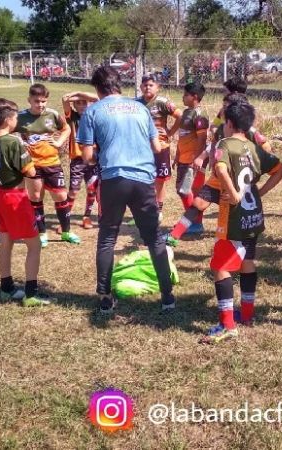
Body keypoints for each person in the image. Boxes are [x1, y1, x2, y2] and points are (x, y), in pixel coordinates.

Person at [78, 66, 176, 314]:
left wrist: (104, 151)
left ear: (98, 89)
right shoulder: (142, 108)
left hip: (113, 179)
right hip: (143, 179)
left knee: (107, 237)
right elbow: (157, 146)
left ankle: (104, 297)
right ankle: (167, 297)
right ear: (118, 84)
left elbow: (87, 156)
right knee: (154, 238)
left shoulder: (93, 111)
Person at [201, 102, 278, 344]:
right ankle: (246, 313)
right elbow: (280, 169)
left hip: (234, 217)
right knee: (247, 262)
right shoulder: (253, 147)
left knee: (220, 267)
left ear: (230, 123)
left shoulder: (225, 145)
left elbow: (220, 168)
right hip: (254, 213)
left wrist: (233, 194)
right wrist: (260, 192)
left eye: (224, 122)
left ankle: (227, 325)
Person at [165, 93, 282, 246]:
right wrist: (204, 156)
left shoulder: (248, 131)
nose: (222, 110)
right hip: (218, 179)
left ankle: (237, 247)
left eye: (225, 106)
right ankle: (174, 236)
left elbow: (265, 148)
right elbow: (214, 145)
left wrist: (253, 169)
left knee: (233, 216)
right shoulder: (222, 128)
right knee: (198, 203)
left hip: (236, 183)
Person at [0, 99, 51, 307]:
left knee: (6, 241)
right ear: (9, 119)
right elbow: (31, 171)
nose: (17, 120)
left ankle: (6, 288)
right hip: (16, 198)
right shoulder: (14, 141)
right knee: (34, 244)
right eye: (16, 116)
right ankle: (31, 293)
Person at [16, 83, 77, 248]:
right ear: (29, 100)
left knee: (61, 196)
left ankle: (66, 231)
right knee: (36, 197)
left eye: (43, 101)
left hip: (52, 163)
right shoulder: (20, 117)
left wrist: (58, 143)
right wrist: (19, 141)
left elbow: (66, 129)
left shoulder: (53, 114)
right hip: (32, 164)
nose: (40, 104)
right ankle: (42, 233)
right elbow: (6, 132)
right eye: (36, 101)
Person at [137, 74, 182, 222]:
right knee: (143, 178)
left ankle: (158, 209)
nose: (147, 87)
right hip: (142, 148)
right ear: (140, 87)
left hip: (160, 147)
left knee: (160, 179)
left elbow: (180, 116)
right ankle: (144, 209)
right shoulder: (137, 103)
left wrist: (170, 131)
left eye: (151, 85)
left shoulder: (162, 102)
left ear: (158, 87)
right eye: (144, 85)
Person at [168, 82, 209, 235]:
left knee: (186, 190)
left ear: (195, 97)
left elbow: (202, 139)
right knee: (183, 190)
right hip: (183, 159)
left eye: (186, 95)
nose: (183, 97)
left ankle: (194, 223)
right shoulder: (186, 113)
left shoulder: (200, 115)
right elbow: (182, 137)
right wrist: (177, 156)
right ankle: (191, 221)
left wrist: (197, 158)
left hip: (193, 160)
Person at [62, 91, 100, 229]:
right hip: (78, 159)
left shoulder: (93, 115)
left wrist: (81, 95)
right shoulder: (72, 116)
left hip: (93, 158)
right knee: (73, 191)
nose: (82, 105)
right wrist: (77, 95)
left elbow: (97, 98)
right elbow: (64, 99)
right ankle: (65, 221)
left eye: (84, 102)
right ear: (74, 106)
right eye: (78, 103)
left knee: (92, 190)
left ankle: (87, 217)